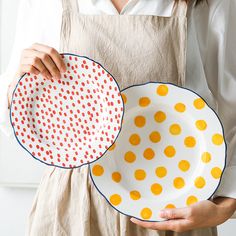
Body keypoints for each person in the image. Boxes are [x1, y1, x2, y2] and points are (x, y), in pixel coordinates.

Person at [0, 0, 236, 235]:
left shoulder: (207, 4)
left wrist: (226, 205)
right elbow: (10, 113)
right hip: (72, 204)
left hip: (169, 204)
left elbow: (232, 112)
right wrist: (19, 82)